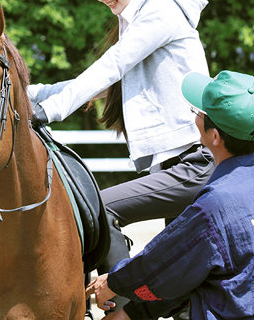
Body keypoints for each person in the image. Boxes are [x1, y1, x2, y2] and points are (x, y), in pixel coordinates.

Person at [29, 0, 215, 313]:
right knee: (183, 281)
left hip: (196, 162)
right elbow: (104, 79)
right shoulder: (137, 19)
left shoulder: (161, 10)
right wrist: (28, 93)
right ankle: (129, 306)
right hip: (176, 164)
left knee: (99, 208)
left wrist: (52, 111)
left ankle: (119, 298)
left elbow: (111, 66)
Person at [86, 69, 254, 319]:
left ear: (215, 136)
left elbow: (162, 265)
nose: (195, 116)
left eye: (198, 112)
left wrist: (112, 283)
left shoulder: (214, 206)